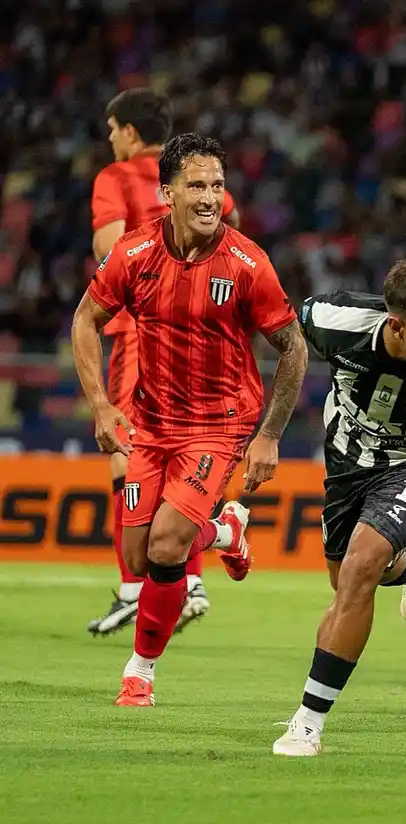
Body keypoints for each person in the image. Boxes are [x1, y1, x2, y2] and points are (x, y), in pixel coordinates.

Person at [72, 132, 306, 707]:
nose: (209, 197)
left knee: (168, 545)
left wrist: (269, 437)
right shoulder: (132, 254)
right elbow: (85, 321)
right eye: (196, 185)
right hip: (150, 423)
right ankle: (226, 530)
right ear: (167, 191)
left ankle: (140, 672)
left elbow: (293, 348)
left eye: (217, 186)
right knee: (136, 556)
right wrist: (102, 404)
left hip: (219, 423)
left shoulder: (248, 263)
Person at [271, 259, 406, 757]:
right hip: (346, 461)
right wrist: (268, 431)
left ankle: (308, 722)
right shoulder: (332, 319)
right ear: (397, 324)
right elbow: (280, 334)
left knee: (359, 569)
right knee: (343, 576)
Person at [86, 89, 241, 637]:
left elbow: (112, 250)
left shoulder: (118, 176)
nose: (110, 139)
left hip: (140, 333)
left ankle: (140, 587)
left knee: (128, 453)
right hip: (203, 336)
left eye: (112, 129)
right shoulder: (197, 176)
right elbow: (232, 228)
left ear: (129, 131)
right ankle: (189, 578)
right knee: (185, 449)